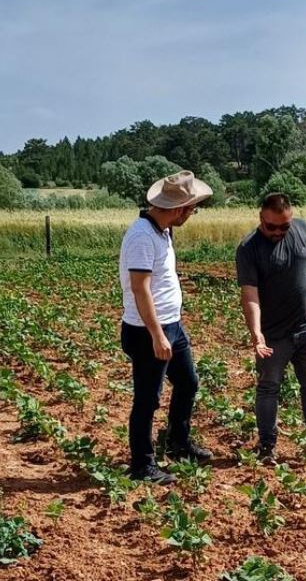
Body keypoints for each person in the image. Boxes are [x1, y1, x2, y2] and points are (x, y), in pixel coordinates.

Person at [119, 170, 214, 484]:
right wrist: (157, 335)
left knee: (188, 383)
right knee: (147, 399)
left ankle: (178, 442)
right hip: (148, 332)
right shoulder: (142, 236)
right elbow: (140, 289)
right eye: (191, 209)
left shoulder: (162, 232)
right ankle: (142, 465)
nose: (192, 214)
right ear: (178, 209)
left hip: (172, 326)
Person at [236, 193, 306, 464]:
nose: (279, 232)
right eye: (272, 227)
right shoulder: (249, 248)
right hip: (273, 334)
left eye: (285, 226)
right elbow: (250, 296)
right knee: (269, 387)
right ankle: (267, 447)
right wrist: (256, 333)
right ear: (261, 219)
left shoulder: (304, 229)